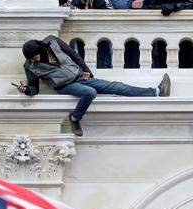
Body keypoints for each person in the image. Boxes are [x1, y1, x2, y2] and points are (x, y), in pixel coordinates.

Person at [18, 36, 171, 137]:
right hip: (66, 86)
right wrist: (26, 90)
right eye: (31, 59)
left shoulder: (52, 42)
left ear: (39, 50)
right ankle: (75, 117)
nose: (33, 60)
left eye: (34, 57)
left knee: (117, 87)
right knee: (89, 93)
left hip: (82, 76)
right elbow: (34, 88)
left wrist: (88, 72)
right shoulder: (30, 66)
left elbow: (74, 55)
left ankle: (156, 91)